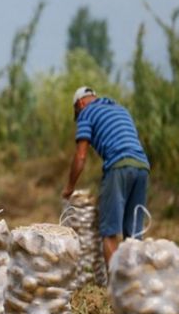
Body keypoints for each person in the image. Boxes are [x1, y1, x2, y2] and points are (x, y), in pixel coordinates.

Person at [61, 86, 150, 264]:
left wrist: (69, 187)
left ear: (80, 103)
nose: (79, 117)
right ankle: (136, 284)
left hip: (118, 165)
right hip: (142, 166)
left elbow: (81, 156)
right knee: (134, 234)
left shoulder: (86, 112)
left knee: (109, 233)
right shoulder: (120, 109)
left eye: (77, 113)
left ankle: (115, 287)